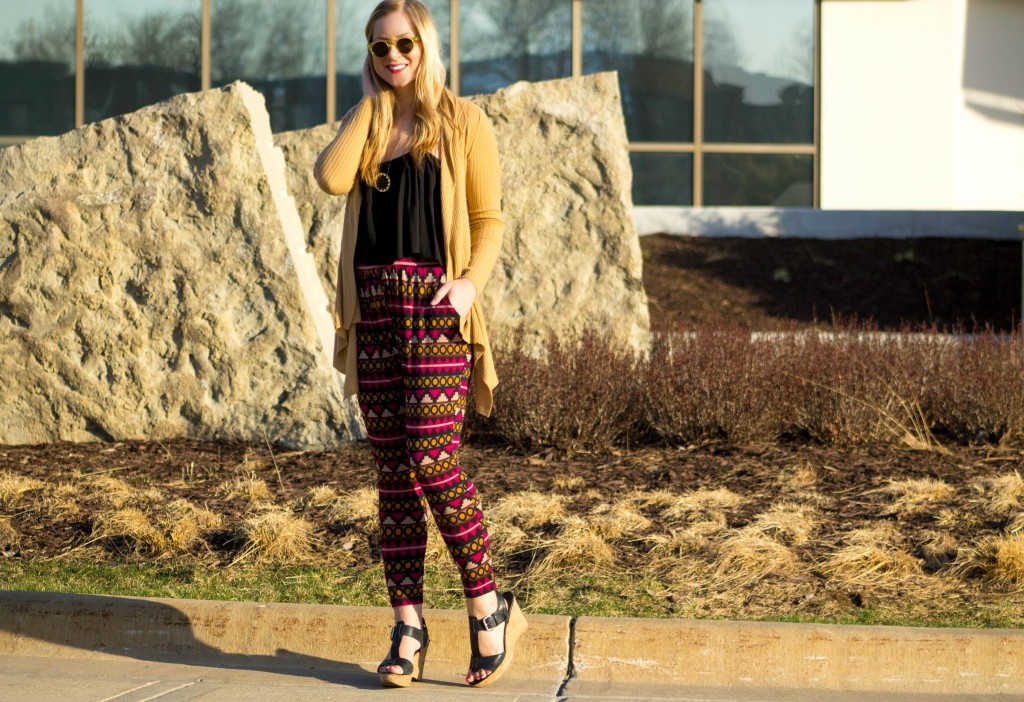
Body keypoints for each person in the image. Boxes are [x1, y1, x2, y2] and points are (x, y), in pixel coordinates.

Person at [312, 0, 526, 689]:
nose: (394, 56)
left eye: (404, 44)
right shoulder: (371, 123)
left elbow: (489, 219)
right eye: (380, 48)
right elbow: (329, 178)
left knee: (435, 463)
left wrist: (468, 286)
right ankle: (407, 626)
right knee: (393, 477)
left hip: (436, 311)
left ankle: (489, 608)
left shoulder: (463, 123)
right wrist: (373, 107)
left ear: (426, 46)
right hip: (374, 312)